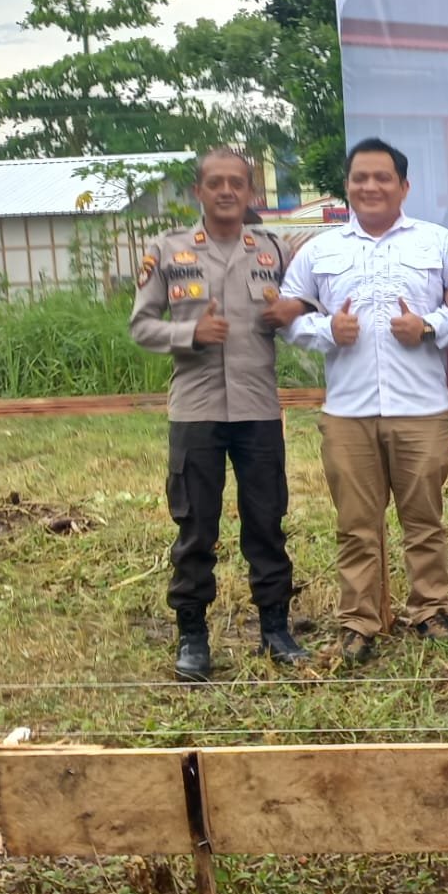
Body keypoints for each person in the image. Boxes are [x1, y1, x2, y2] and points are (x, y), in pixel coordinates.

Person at [281, 138, 448, 663]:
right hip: (348, 413)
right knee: (356, 525)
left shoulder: (438, 243)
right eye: (360, 178)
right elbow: (288, 316)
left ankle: (431, 610)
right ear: (347, 186)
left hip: (421, 409)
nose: (370, 186)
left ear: (404, 186)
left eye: (382, 177)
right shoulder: (320, 251)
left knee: (424, 519)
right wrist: (327, 330)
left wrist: (430, 325)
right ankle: (358, 621)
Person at [129, 148, 310, 682]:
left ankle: (275, 629)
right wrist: (190, 332)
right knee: (195, 525)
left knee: (266, 521)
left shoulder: (274, 250)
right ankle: (193, 635)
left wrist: (297, 307)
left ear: (252, 192)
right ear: (198, 191)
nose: (227, 191)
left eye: (237, 183)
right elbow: (141, 326)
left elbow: (310, 298)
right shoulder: (168, 250)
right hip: (197, 411)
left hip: (257, 407)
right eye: (216, 183)